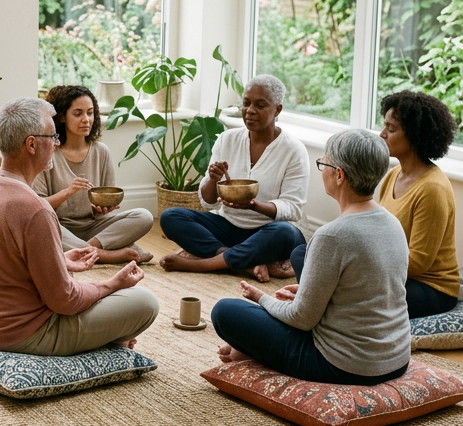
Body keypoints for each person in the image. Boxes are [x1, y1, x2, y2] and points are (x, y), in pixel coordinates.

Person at [211, 129, 411, 385]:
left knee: (225, 311)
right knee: (299, 254)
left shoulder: (332, 236)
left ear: (339, 175)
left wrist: (261, 298)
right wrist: (309, 292)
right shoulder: (393, 224)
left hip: (345, 365)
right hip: (395, 359)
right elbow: (369, 291)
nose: (322, 170)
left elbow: (301, 319)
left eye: (324, 164)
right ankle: (253, 349)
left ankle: (254, 353)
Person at [0, 96, 159, 355]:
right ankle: (105, 338)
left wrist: (59, 259)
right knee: (145, 302)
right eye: (52, 137)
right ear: (31, 144)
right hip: (22, 334)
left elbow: (1, 263)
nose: (56, 143)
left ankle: (104, 332)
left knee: (82, 282)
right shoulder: (35, 209)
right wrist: (113, 284)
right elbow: (65, 300)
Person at [159, 75, 308, 282]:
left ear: (277, 110)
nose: (250, 110)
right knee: (170, 217)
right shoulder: (227, 139)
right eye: (246, 103)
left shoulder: (293, 150)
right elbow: (207, 201)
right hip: (228, 226)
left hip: (267, 232)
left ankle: (204, 264)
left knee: (287, 233)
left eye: (260, 105)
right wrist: (212, 179)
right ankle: (242, 263)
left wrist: (254, 205)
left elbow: (293, 208)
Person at [32, 85, 154, 265]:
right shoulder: (48, 152)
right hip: (60, 227)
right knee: (39, 225)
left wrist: (104, 208)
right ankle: (106, 255)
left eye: (90, 113)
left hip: (94, 228)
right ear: (63, 117)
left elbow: (105, 203)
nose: (86, 119)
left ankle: (85, 251)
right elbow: (39, 206)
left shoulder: (101, 151)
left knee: (144, 216)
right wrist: (68, 191)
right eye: (78, 113)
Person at [378, 90, 460, 319]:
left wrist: (367, 263)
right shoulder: (393, 175)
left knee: (357, 292)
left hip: (430, 288)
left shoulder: (432, 188)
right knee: (305, 254)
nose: (382, 134)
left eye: (391, 129)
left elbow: (418, 263)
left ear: (415, 136)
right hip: (397, 276)